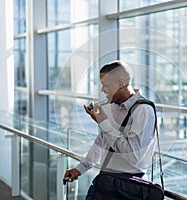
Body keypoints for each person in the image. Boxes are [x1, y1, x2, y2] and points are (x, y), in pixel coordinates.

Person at [63, 60, 157, 199]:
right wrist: (81, 168)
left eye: (106, 85)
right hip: (106, 180)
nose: (103, 90)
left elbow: (134, 156)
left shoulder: (143, 111)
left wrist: (103, 122)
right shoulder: (113, 107)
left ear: (121, 83)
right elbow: (102, 141)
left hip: (129, 187)